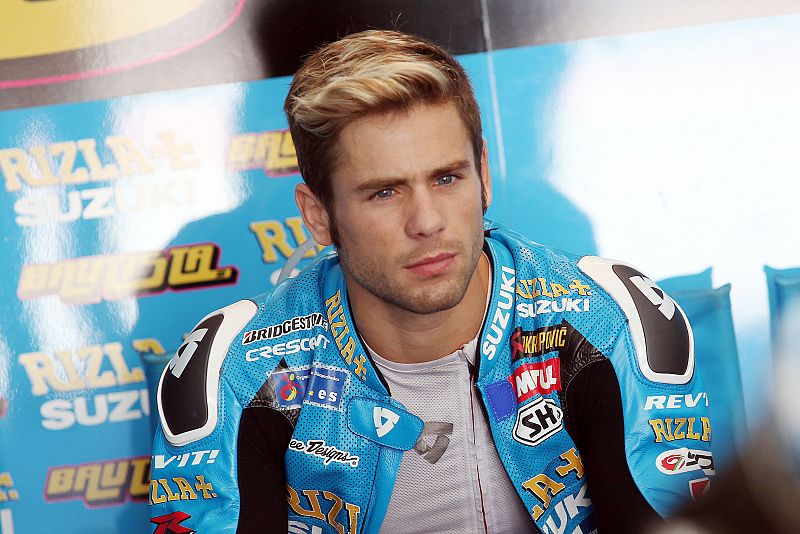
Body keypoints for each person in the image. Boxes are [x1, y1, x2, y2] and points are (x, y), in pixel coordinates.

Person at [150, 30, 712, 534]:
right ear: (318, 215)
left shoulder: (606, 320)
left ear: (483, 175)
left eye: (446, 178)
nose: (426, 222)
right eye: (384, 192)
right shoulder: (240, 372)